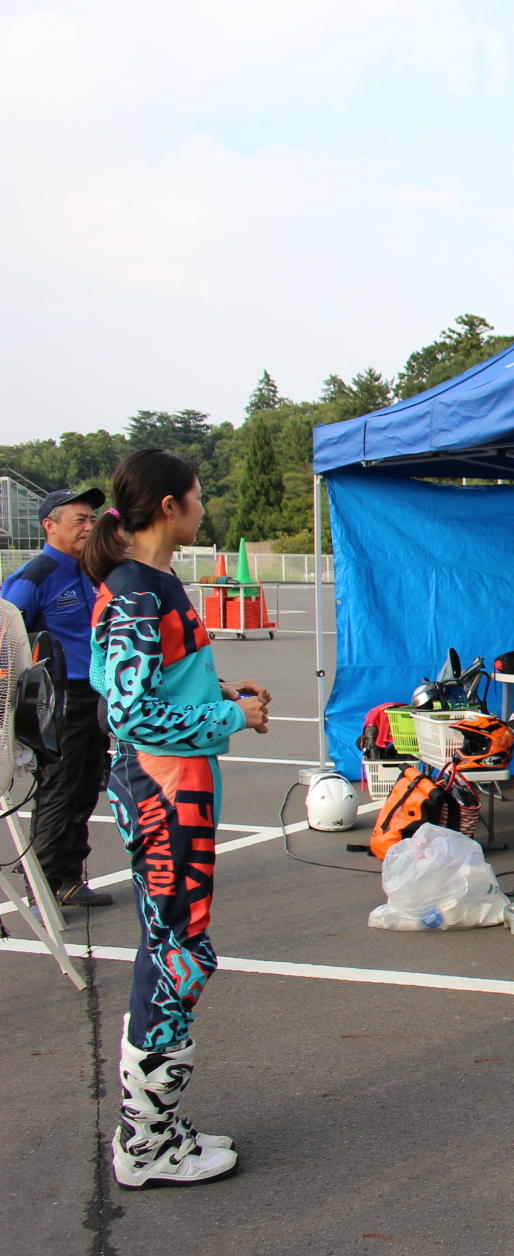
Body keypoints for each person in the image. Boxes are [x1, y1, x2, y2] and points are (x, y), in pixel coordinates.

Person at [85, 449, 271, 1188]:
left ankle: (155, 1126)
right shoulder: (135, 590)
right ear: (169, 506)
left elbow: (163, 681)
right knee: (177, 956)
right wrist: (227, 711)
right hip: (163, 792)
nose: (203, 507)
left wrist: (228, 697)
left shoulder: (155, 583)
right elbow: (129, 710)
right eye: (196, 497)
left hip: (180, 785)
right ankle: (146, 1144)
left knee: (177, 949)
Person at [1, 485, 112, 907]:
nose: (89, 526)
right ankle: (48, 882)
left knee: (85, 786)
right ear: (50, 526)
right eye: (79, 519)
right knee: (61, 787)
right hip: (60, 698)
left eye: (91, 518)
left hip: (94, 695)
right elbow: (5, 638)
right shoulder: (34, 578)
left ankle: (67, 875)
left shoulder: (92, 570)